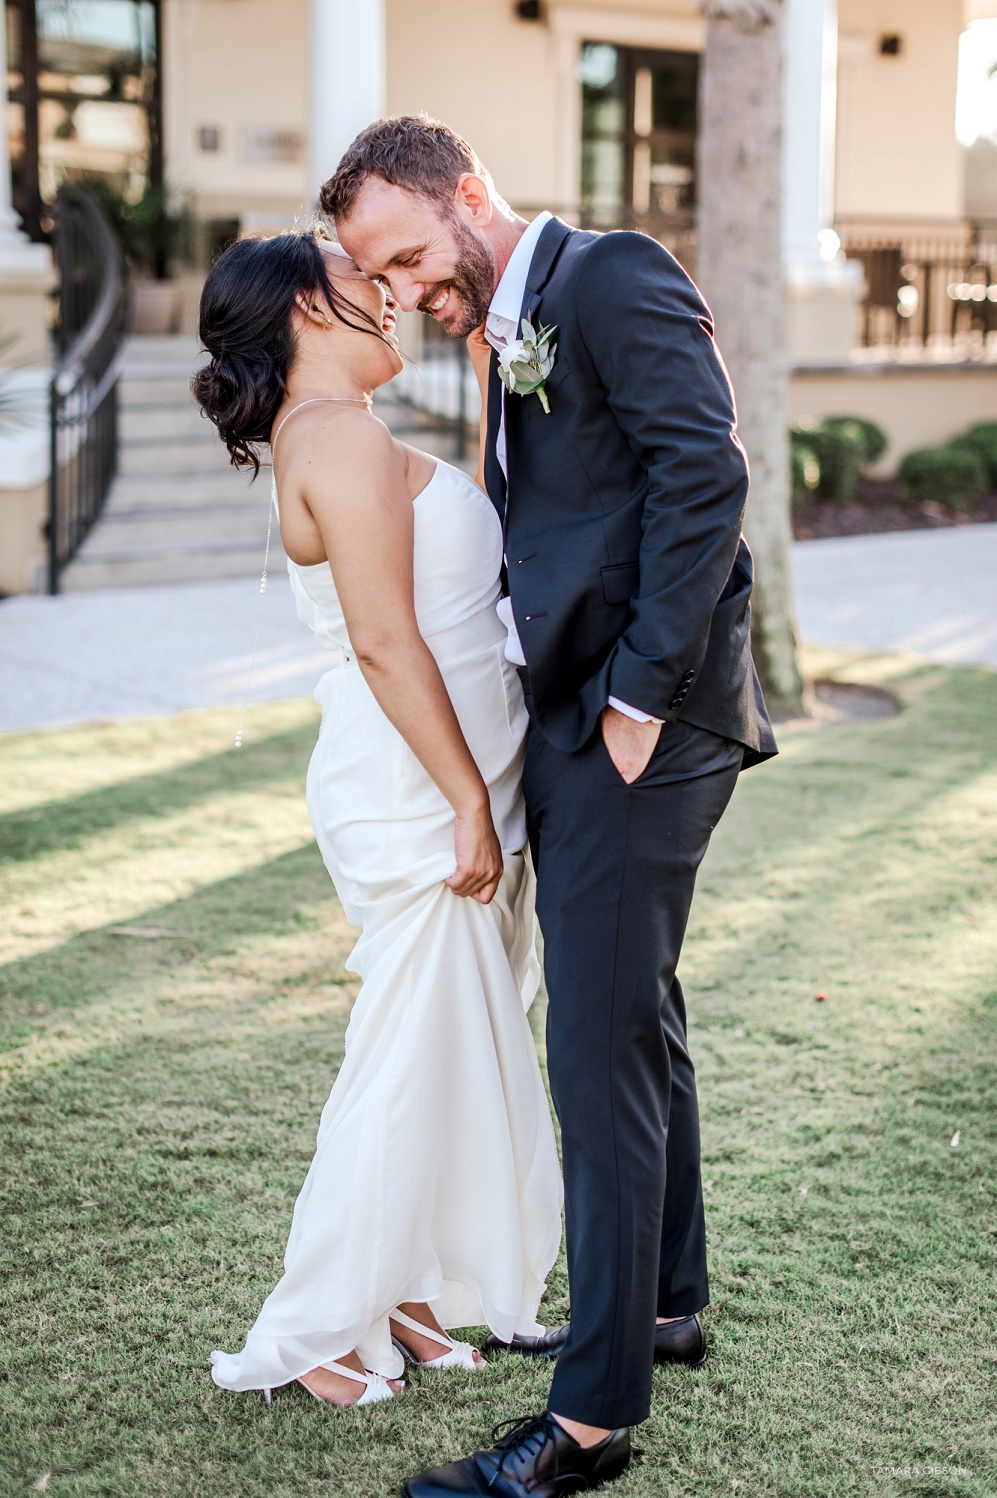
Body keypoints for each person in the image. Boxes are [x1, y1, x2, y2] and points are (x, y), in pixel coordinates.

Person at [326, 115, 777, 1495]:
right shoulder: (513, 318)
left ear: (469, 193)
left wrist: (637, 696)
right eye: (381, 278)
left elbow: (709, 473)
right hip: (581, 714)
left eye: (408, 253)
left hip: (644, 719)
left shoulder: (612, 276)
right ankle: (663, 1301)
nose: (404, 289)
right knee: (637, 1015)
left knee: (593, 1047)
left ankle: (591, 1422)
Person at [192, 230, 562, 1411]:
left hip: (458, 773)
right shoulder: (337, 438)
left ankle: (407, 1289)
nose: (395, 300)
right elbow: (384, 640)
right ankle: (314, 1330)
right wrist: (465, 802)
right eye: (368, 286)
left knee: (459, 1038)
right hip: (414, 790)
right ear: (309, 306)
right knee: (407, 1056)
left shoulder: (349, 434)